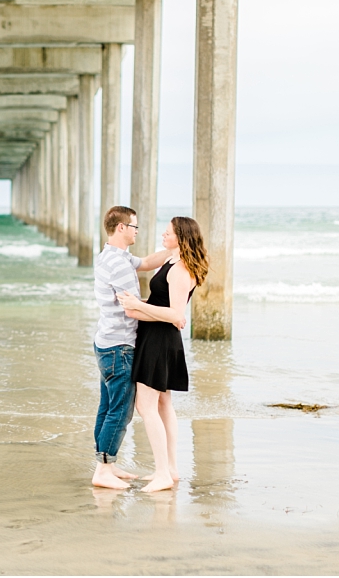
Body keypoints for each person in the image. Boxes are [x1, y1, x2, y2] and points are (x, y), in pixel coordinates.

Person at [91, 206, 181, 489]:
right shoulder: (118, 265)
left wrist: (177, 248)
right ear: (121, 228)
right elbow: (132, 310)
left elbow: (145, 262)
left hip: (105, 342)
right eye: (135, 227)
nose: (137, 231)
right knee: (120, 410)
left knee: (107, 407)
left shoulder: (112, 257)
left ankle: (108, 464)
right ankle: (103, 471)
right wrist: (166, 315)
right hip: (120, 346)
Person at [117, 217, 209, 493]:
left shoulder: (181, 270)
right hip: (155, 337)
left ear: (180, 237)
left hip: (159, 340)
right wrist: (143, 305)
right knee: (163, 405)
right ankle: (170, 469)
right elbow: (163, 303)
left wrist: (136, 304)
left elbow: (175, 316)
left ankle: (162, 474)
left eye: (168, 232)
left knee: (146, 406)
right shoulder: (171, 260)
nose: (163, 234)